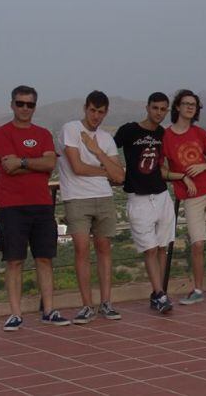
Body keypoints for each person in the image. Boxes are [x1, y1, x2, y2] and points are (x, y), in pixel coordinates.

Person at [0, 85, 70, 331]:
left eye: (29, 104)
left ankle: (48, 310)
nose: (25, 108)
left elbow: (49, 163)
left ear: (35, 106)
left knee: (44, 258)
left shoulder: (44, 133)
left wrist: (23, 161)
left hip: (41, 203)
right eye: (20, 103)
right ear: (12, 104)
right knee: (14, 260)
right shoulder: (2, 133)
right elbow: (8, 166)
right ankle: (15, 314)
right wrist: (34, 162)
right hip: (12, 206)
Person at [57, 91, 125, 323]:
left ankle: (106, 302)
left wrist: (97, 152)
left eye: (101, 112)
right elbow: (78, 167)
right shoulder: (71, 129)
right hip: (77, 198)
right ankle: (86, 305)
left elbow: (121, 176)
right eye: (92, 110)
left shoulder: (106, 139)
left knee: (105, 250)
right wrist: (106, 170)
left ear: (106, 113)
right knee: (82, 250)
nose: (96, 116)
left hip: (104, 197)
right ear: (85, 108)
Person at [163, 90, 206, 306]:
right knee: (198, 243)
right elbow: (162, 170)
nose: (190, 107)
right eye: (186, 104)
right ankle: (198, 288)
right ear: (177, 107)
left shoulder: (200, 133)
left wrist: (204, 165)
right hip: (191, 195)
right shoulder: (167, 136)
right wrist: (183, 176)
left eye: (194, 104)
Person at [114, 92, 175, 313]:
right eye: (155, 108)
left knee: (161, 248)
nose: (159, 113)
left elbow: (163, 163)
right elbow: (112, 149)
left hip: (161, 195)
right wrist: (114, 171)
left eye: (163, 109)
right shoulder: (129, 130)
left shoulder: (162, 133)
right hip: (138, 198)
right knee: (149, 249)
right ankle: (159, 293)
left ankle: (158, 293)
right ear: (147, 107)